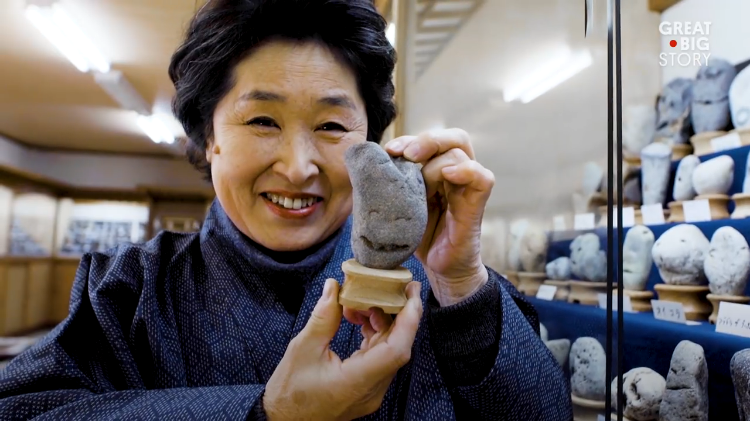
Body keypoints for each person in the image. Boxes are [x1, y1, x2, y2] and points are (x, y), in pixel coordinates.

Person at [0, 0, 572, 419]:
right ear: (210, 137)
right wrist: (267, 413)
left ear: (373, 140)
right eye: (262, 121)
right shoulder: (131, 289)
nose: (299, 167)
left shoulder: (441, 291)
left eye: (330, 126)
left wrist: (461, 280)